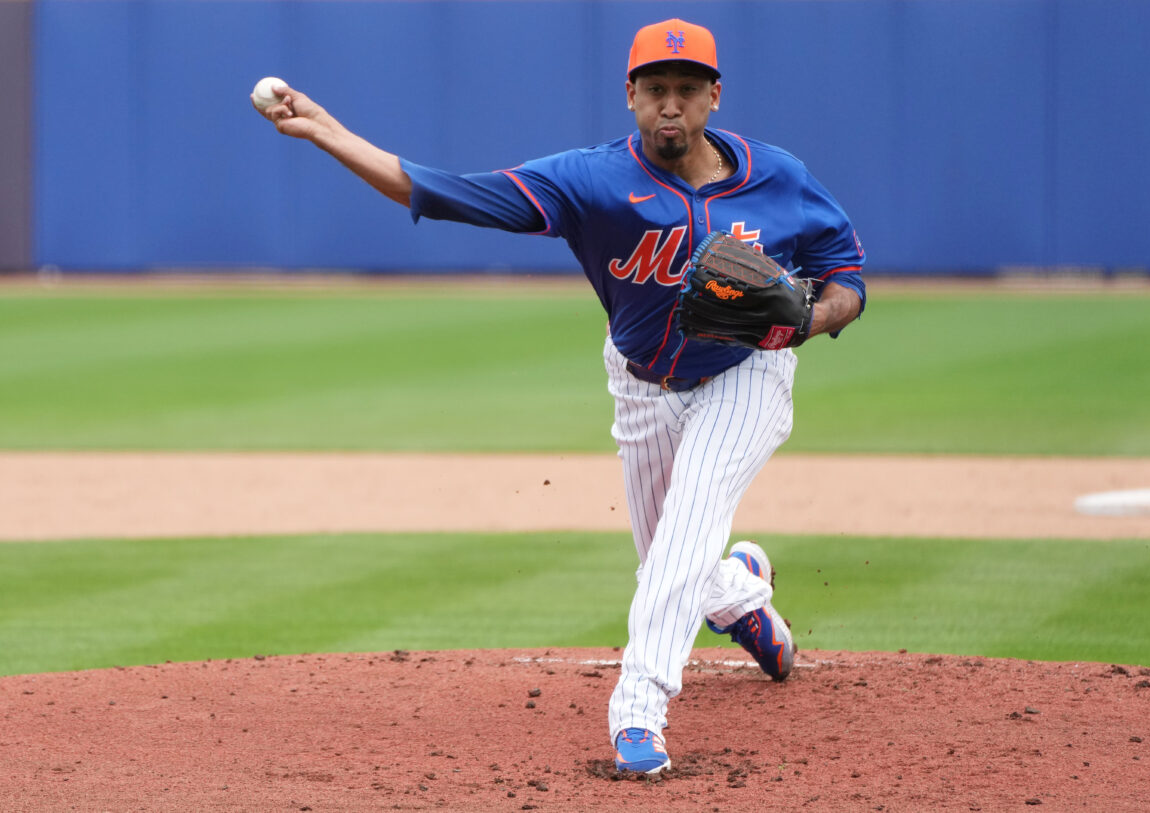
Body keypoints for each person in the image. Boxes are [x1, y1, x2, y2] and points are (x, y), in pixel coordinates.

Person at [254, 18, 866, 774]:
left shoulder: (778, 177)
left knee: (688, 522)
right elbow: (443, 193)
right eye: (654, 89)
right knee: (668, 557)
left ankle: (638, 711)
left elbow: (845, 276)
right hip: (641, 383)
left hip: (747, 374)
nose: (670, 104)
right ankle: (738, 594)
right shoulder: (590, 180)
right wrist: (329, 133)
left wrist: (810, 319)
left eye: (686, 89)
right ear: (630, 95)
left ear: (715, 95)